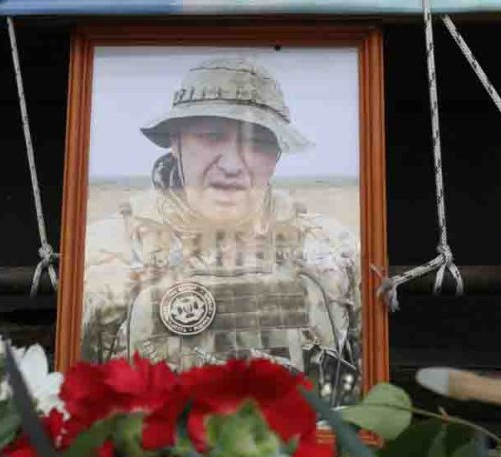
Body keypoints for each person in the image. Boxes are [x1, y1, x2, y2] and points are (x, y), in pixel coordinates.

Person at [81, 56, 362, 404]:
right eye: (211, 137)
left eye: (256, 142)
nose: (231, 165)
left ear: (276, 155)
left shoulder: (332, 249)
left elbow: (362, 398)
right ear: (175, 141)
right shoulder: (102, 255)